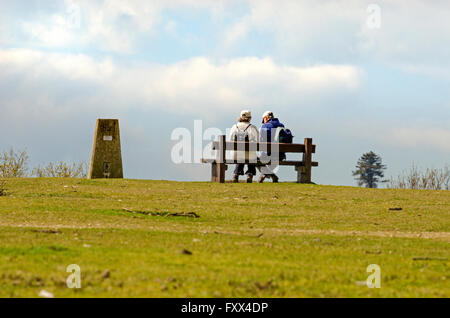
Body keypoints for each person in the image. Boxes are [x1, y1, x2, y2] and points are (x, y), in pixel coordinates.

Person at [229, 110, 259, 183]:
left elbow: (230, 139)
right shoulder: (252, 127)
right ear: (250, 118)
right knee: (251, 156)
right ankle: (250, 174)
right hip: (249, 155)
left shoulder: (234, 127)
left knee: (240, 154)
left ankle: (236, 174)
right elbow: (258, 141)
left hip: (235, 155)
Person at [258, 111, 286, 183]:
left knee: (255, 159)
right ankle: (271, 176)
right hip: (281, 155)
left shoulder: (265, 126)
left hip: (268, 155)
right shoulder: (282, 125)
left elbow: (261, 142)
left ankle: (265, 174)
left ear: (266, 118)